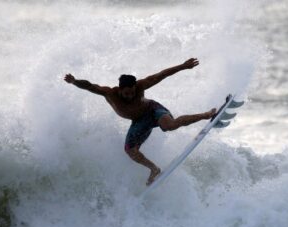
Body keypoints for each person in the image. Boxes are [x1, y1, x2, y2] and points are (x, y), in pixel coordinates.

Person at [64, 58, 216, 185]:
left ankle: (206, 115)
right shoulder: (109, 93)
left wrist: (183, 66)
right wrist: (75, 81)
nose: (130, 95)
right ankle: (154, 169)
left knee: (170, 125)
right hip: (139, 121)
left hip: (153, 110)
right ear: (120, 89)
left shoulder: (141, 85)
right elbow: (90, 86)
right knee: (130, 151)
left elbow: (162, 74)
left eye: (132, 92)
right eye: (127, 93)